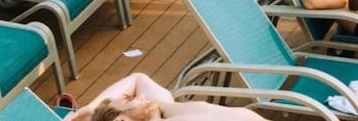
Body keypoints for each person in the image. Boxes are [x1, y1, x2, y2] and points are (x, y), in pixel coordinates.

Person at [63, 73, 266, 121]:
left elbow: (137, 78)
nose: (140, 95)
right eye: (128, 99)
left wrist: (91, 107)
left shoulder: (165, 107)